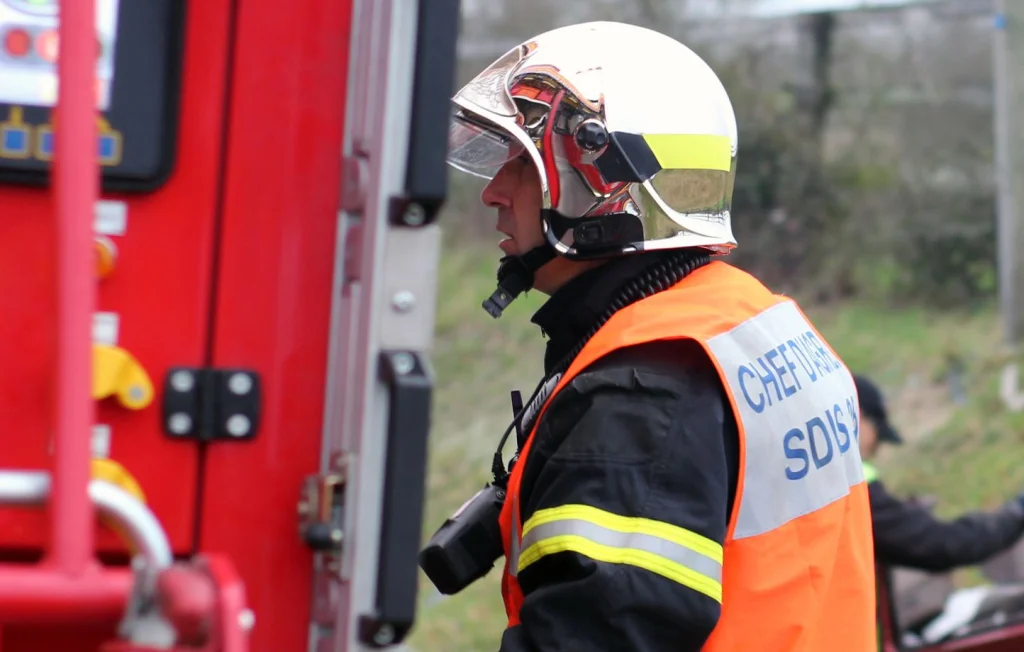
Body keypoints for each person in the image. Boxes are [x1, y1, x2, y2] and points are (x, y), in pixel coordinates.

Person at [441, 21, 876, 652]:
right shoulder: (750, 319)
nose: (493, 193)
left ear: (605, 186)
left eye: (521, 164)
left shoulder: (639, 399)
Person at [855, 374, 1024, 572]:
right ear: (858, 416)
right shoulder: (854, 489)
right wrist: (1017, 512)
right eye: (877, 434)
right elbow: (937, 544)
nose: (876, 449)